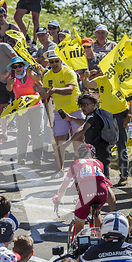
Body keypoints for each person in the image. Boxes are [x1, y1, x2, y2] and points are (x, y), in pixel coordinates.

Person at [34, 50, 83, 178]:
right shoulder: (47, 76)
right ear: (48, 63)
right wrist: (40, 90)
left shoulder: (69, 72)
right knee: (59, 141)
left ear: (61, 61)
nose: (54, 63)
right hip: (60, 111)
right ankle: (60, 169)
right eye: (51, 62)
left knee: (78, 140)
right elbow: (45, 95)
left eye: (56, 61)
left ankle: (80, 168)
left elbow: (70, 90)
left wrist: (53, 90)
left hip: (76, 109)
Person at [53, 143, 115, 235]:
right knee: (97, 210)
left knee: (79, 226)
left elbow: (64, 186)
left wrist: (58, 198)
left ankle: (79, 243)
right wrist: (113, 212)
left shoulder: (76, 163)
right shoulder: (99, 163)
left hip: (86, 192)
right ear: (93, 155)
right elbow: (102, 183)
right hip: (102, 192)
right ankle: (99, 236)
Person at [82, 70, 129, 185]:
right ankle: (103, 175)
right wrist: (86, 77)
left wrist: (128, 115)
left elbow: (131, 96)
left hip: (120, 115)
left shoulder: (122, 79)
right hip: (106, 117)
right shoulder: (101, 79)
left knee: (121, 144)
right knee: (105, 144)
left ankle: (124, 174)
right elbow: (88, 84)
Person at [61, 94, 112, 179]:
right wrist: (71, 119)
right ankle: (104, 190)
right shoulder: (96, 114)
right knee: (102, 176)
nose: (82, 107)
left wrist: (69, 141)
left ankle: (105, 191)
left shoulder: (92, 116)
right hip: (104, 149)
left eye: (85, 104)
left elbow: (83, 128)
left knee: (102, 177)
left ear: (93, 104)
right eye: (81, 105)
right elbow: (85, 123)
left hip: (99, 151)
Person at [6, 56, 44, 165]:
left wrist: (32, 75)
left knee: (37, 133)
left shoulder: (31, 74)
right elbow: (9, 89)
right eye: (15, 66)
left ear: (23, 66)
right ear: (13, 68)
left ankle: (37, 158)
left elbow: (39, 81)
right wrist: (10, 83)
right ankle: (21, 157)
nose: (18, 68)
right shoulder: (11, 78)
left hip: (36, 106)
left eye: (20, 66)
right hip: (21, 108)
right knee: (22, 133)